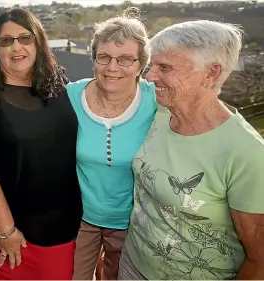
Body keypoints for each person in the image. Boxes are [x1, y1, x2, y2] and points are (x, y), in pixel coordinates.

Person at [119, 20, 264, 280]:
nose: (150, 77)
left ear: (211, 74)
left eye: (165, 68)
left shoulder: (247, 153)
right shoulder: (159, 112)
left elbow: (260, 260)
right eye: (152, 65)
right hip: (133, 263)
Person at [0, 8, 81, 280]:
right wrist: (6, 231)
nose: (16, 46)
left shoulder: (59, 85)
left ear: (38, 42)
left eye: (25, 38)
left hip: (65, 232)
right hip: (13, 240)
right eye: (6, 41)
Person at [66, 8, 157, 280]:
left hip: (135, 223)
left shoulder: (157, 102)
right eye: (103, 57)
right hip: (80, 219)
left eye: (126, 59)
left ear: (141, 64)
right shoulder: (70, 96)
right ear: (93, 60)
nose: (112, 67)